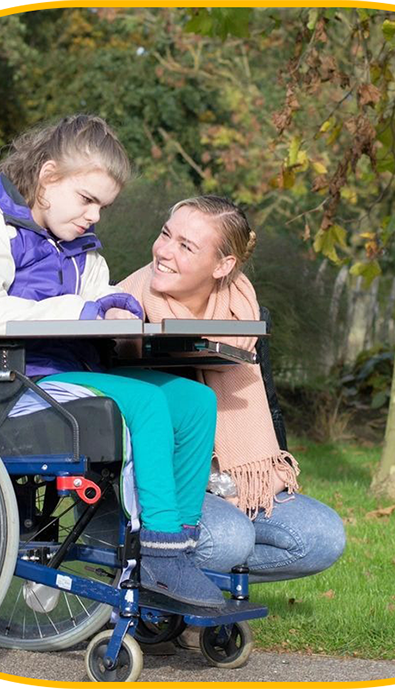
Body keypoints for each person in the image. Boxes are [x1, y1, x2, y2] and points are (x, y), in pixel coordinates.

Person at [0, 115, 225, 608]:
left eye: (103, 206)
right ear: (48, 178)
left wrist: (117, 305)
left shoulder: (74, 238)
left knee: (196, 401)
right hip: (16, 383)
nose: (94, 216)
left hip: (76, 370)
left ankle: (180, 542)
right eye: (87, 200)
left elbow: (96, 294)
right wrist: (82, 310)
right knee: (148, 404)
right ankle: (159, 554)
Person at [120, 195, 346, 584]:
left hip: (233, 479)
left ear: (223, 266)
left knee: (322, 536)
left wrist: (246, 483)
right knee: (229, 538)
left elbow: (268, 407)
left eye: (186, 246)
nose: (164, 251)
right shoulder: (124, 309)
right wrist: (215, 489)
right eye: (166, 234)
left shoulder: (243, 315)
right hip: (155, 489)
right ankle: (160, 590)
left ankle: (183, 583)